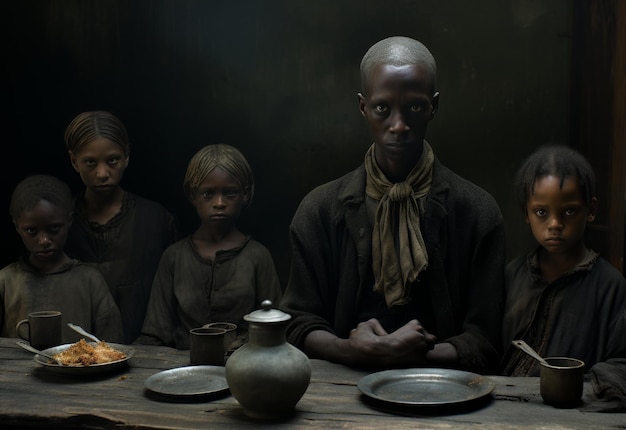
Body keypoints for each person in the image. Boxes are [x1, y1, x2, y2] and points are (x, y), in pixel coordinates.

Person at [279, 36, 505, 373]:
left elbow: (486, 341)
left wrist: (413, 355)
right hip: (339, 391)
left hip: (444, 391)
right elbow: (296, 323)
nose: (398, 125)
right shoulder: (319, 210)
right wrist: (350, 349)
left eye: (414, 107)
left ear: (434, 106)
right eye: (382, 108)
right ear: (362, 107)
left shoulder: (477, 213)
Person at [137, 144, 282, 350]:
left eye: (230, 193)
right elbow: (156, 332)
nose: (219, 202)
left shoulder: (257, 256)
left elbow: (274, 328)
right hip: (182, 370)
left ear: (246, 195)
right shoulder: (174, 257)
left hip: (245, 368)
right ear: (192, 195)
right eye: (208, 194)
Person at [501, 145, 626, 376]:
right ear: (526, 213)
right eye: (541, 212)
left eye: (569, 212)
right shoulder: (511, 277)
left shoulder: (610, 286)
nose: (555, 224)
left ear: (591, 209)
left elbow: (620, 363)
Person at [63, 111, 178, 343]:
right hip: (73, 353)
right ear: (74, 161)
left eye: (112, 160)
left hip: (146, 352)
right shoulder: (60, 223)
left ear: (126, 156)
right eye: (90, 162)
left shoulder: (155, 220)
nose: (102, 173)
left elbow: (173, 294)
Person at [0, 175, 123, 343]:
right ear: (16, 226)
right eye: (31, 231)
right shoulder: (6, 281)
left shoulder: (89, 281)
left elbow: (113, 347)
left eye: (54, 228)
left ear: (69, 220)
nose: (44, 240)